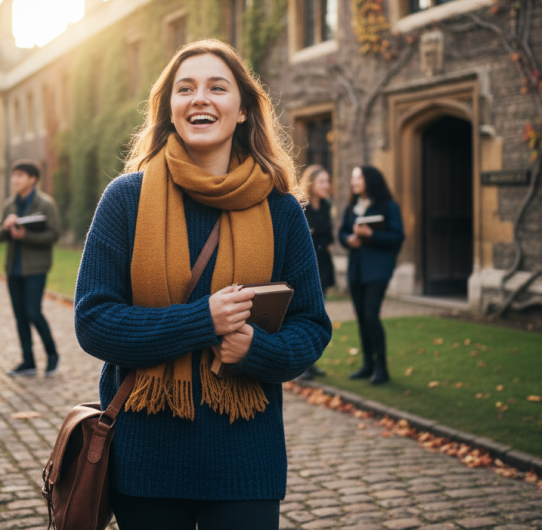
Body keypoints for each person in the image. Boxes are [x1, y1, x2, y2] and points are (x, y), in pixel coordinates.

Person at [74, 39, 331, 530]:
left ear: (242, 111)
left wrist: (256, 348)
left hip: (245, 462)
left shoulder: (282, 210)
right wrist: (203, 321)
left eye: (218, 87)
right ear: (169, 109)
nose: (200, 98)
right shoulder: (124, 200)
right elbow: (93, 322)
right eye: (184, 88)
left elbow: (312, 328)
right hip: (145, 460)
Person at [337, 165, 404, 386]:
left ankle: (381, 367)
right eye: (353, 178)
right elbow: (342, 232)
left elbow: (397, 236)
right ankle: (367, 365)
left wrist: (371, 235)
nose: (354, 182)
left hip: (378, 269)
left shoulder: (388, 206)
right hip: (356, 269)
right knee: (361, 316)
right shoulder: (352, 206)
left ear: (370, 180)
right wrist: (348, 239)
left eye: (359, 178)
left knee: (371, 315)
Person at [0, 159, 62, 377]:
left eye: (20, 175)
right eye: (14, 175)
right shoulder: (9, 204)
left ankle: (52, 355)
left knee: (33, 311)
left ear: (33, 179)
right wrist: (6, 228)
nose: (15, 179)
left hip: (36, 268)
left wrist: (27, 236)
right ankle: (28, 361)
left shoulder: (46, 204)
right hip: (13, 269)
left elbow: (54, 234)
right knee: (20, 316)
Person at [300, 165, 335, 379]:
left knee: (318, 317)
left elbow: (329, 237)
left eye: (328, 181)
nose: (327, 186)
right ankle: (302, 367)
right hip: (306, 266)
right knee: (304, 316)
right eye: (323, 182)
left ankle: (312, 363)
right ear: (312, 184)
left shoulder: (325, 206)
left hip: (323, 264)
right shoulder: (301, 207)